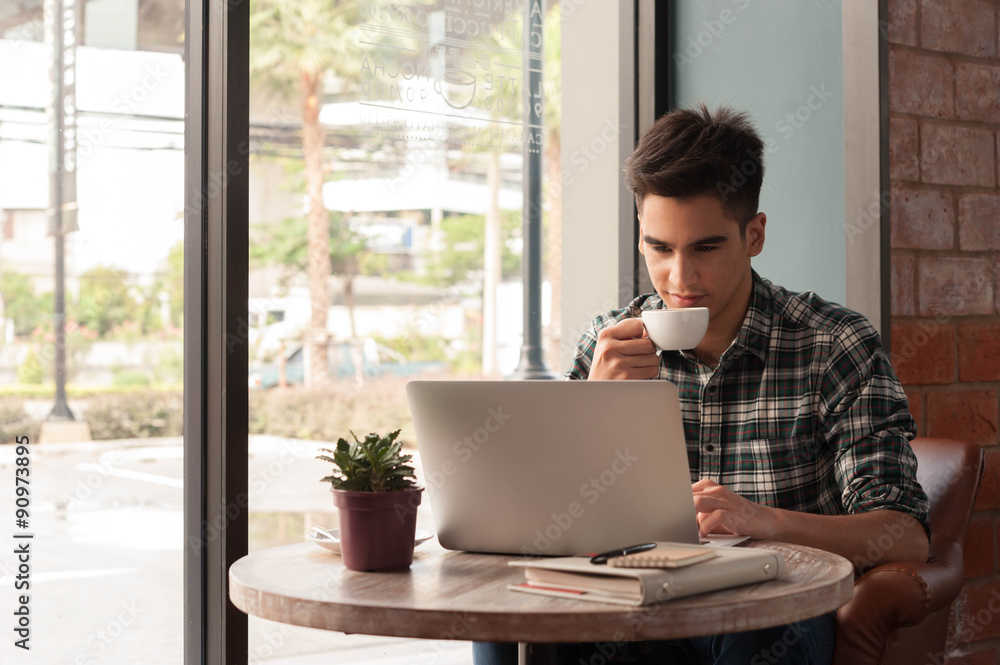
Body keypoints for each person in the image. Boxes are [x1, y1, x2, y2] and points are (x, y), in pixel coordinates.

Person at [473, 105, 929, 665]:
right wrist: (590, 404)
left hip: (770, 612)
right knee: (528, 623)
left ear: (754, 235)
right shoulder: (610, 344)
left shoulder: (832, 344)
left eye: (705, 248)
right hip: (634, 601)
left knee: (754, 631)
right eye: (659, 249)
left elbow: (904, 532)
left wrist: (769, 524)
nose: (679, 279)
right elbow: (540, 520)